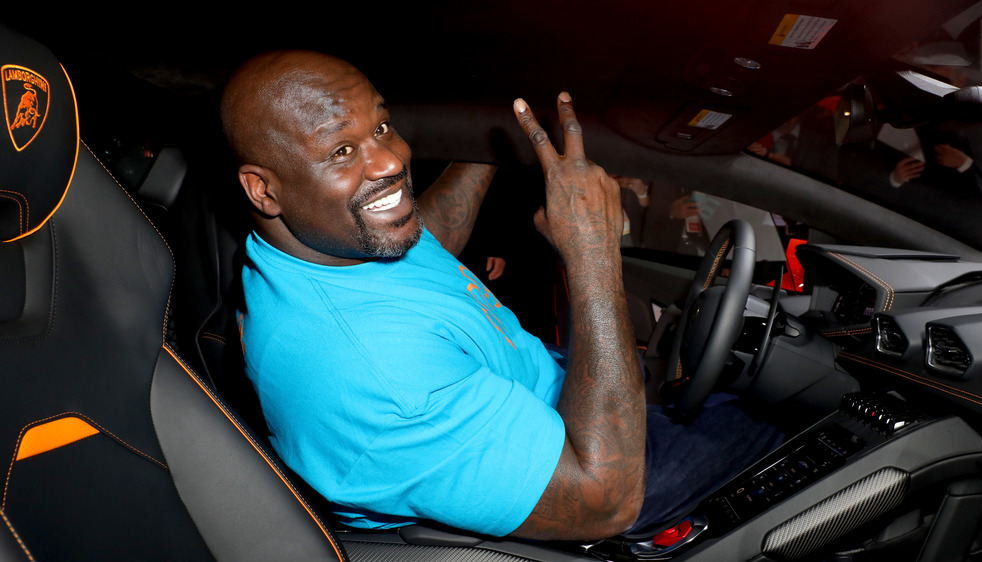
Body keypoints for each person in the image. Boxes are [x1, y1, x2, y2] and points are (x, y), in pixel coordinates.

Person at [221, 50, 781, 541]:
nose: (390, 161)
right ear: (262, 188)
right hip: (598, 470)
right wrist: (592, 253)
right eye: (342, 151)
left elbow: (426, 243)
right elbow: (605, 500)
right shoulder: (373, 377)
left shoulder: (321, 246)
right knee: (807, 433)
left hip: (554, 405)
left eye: (383, 126)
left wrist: (488, 145)